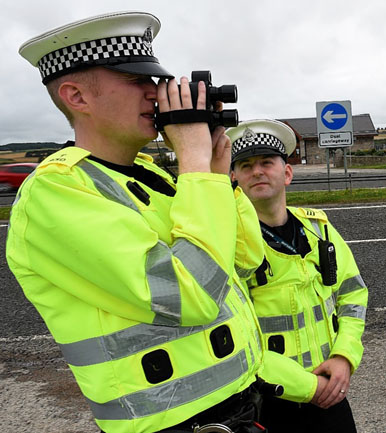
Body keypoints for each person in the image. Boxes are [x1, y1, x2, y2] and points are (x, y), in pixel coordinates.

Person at [9, 11, 272, 433]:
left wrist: (217, 178)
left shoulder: (158, 177)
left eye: (158, 82)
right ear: (77, 97)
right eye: (138, 82)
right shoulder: (57, 193)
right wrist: (193, 164)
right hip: (169, 424)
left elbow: (245, 261)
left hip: (239, 407)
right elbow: (191, 297)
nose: (157, 94)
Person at [228, 120, 368, 433]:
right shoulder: (228, 245)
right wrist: (308, 387)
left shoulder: (319, 230)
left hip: (329, 393)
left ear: (287, 173)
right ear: (234, 178)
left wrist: (345, 356)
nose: (258, 171)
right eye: (246, 165)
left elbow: (353, 295)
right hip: (263, 404)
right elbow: (233, 337)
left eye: (266, 162)